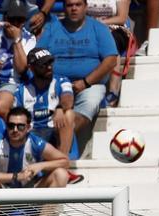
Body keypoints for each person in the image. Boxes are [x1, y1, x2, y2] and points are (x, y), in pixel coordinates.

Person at [35, 0, 117, 141]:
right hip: (54, 85)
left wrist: (85, 82)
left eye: (78, 5)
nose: (74, 9)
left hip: (90, 85)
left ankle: (56, 144)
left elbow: (110, 60)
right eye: (69, 5)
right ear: (64, 8)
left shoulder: (99, 28)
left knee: (89, 103)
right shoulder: (51, 28)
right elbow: (37, 56)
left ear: (85, 7)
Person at [0, 48, 76, 162]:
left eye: (50, 63)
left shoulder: (62, 81)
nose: (49, 67)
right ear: (32, 68)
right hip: (32, 133)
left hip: (53, 129)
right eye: (43, 65)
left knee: (68, 114)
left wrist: (60, 108)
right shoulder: (21, 90)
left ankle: (62, 162)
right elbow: (16, 116)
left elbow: (68, 100)